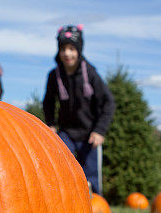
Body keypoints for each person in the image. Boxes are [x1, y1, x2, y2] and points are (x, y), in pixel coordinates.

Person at [42, 24, 115, 194]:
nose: (67, 53)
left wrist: (100, 130)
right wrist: (51, 124)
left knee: (91, 175)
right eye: (63, 49)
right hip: (66, 132)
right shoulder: (54, 75)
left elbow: (108, 102)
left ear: (79, 50)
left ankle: (96, 208)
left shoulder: (90, 74)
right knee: (59, 167)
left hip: (90, 133)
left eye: (72, 49)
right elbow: (48, 102)